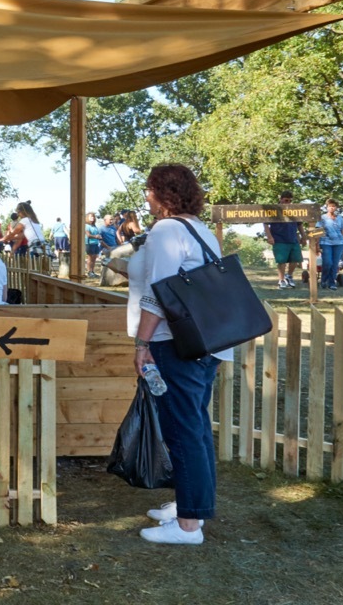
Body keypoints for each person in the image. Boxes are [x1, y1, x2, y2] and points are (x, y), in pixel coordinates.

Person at [132, 164, 227, 545]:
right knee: (195, 427)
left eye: (149, 189)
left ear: (163, 193)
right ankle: (191, 506)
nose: (146, 196)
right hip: (207, 342)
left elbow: (160, 294)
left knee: (183, 429)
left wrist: (142, 344)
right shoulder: (199, 230)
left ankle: (189, 525)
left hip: (175, 342)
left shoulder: (166, 230)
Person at [264, 191, 304, 289]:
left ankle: (289, 276)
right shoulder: (274, 210)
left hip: (293, 238)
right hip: (279, 239)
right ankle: (281, 280)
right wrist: (269, 237)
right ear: (281, 199)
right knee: (281, 261)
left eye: (290, 201)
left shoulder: (294, 210)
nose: (288, 202)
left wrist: (304, 236)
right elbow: (265, 224)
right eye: (286, 200)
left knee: (295, 259)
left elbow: (299, 224)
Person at [315, 198, 343, 292]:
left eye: (334, 206)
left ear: (336, 207)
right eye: (330, 206)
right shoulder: (322, 218)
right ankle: (323, 280)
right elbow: (318, 232)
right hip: (325, 243)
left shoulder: (340, 218)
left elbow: (342, 231)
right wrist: (317, 245)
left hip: (339, 243)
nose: (332, 208)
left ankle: (332, 283)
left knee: (335, 264)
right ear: (327, 207)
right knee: (328, 262)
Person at [84, 213, 102, 278]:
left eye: (93, 217)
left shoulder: (94, 226)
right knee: (90, 258)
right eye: (91, 217)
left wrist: (99, 237)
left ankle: (92, 271)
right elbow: (88, 235)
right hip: (89, 243)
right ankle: (89, 272)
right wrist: (96, 236)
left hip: (95, 243)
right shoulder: (86, 226)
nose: (92, 218)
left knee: (94, 258)